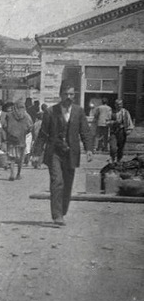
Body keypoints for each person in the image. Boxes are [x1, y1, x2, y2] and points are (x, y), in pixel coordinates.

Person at [35, 82, 93, 225]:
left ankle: (62, 210)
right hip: (54, 152)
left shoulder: (79, 111)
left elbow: (85, 131)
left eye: (71, 94)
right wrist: (36, 153)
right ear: (60, 95)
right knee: (57, 182)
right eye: (66, 94)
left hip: (71, 153)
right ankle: (57, 215)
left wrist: (89, 149)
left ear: (74, 95)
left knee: (67, 184)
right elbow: (43, 134)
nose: (68, 97)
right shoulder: (50, 112)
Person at [3, 100, 34, 181]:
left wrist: (10, 132)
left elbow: (4, 126)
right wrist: (24, 132)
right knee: (20, 158)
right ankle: (18, 174)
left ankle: (12, 174)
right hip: (21, 140)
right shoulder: (26, 116)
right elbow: (30, 127)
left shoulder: (9, 115)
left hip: (12, 140)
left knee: (12, 157)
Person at [109, 99, 134, 163]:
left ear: (122, 105)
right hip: (113, 132)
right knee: (113, 147)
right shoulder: (111, 112)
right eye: (117, 104)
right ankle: (112, 158)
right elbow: (106, 121)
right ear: (115, 105)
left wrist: (129, 129)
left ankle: (118, 160)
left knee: (120, 148)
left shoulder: (125, 112)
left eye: (120, 104)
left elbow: (129, 121)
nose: (119, 106)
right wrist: (113, 122)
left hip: (122, 131)